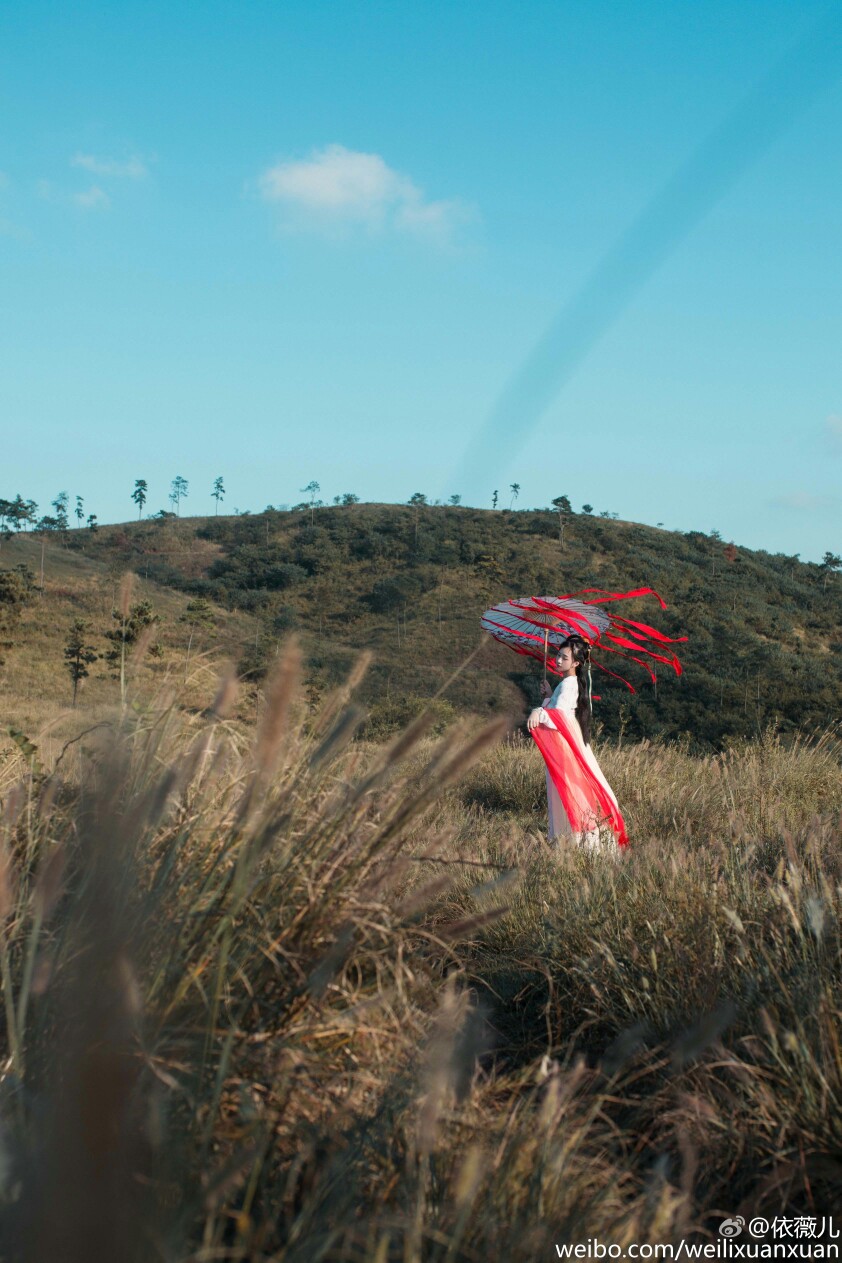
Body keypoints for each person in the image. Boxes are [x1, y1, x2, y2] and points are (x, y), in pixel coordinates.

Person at [526, 634, 627, 850]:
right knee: (569, 791)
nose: (558, 660)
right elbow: (560, 710)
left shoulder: (569, 684)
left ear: (576, 662)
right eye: (558, 656)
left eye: (564, 657)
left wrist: (538, 710)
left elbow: (560, 716)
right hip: (566, 748)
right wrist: (549, 696)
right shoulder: (567, 684)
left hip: (565, 751)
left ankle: (579, 843)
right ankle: (576, 843)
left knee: (569, 793)